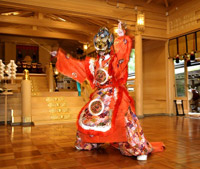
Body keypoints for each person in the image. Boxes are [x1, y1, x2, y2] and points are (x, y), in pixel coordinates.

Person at [51, 22, 164, 160]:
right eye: (98, 44)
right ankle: (88, 142)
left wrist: (122, 38)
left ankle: (136, 147)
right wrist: (60, 56)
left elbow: (122, 59)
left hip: (115, 93)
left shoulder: (113, 60)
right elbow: (76, 65)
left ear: (109, 44)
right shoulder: (93, 63)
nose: (100, 48)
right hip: (100, 95)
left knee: (124, 117)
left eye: (103, 44)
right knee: (90, 116)